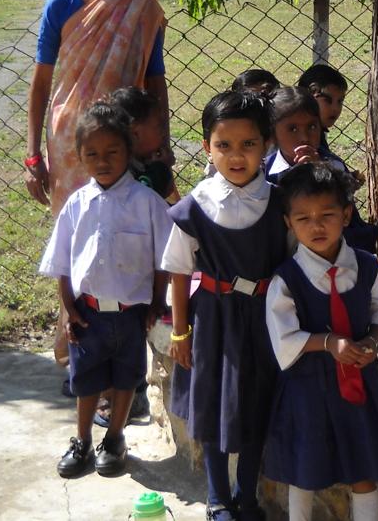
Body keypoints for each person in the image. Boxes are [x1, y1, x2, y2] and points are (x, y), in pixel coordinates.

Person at [161, 92, 289, 521]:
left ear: (266, 145)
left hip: (263, 322)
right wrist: (180, 332)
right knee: (213, 410)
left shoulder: (280, 203)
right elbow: (179, 272)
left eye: (248, 144)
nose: (236, 156)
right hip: (212, 322)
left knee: (255, 405)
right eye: (224, 145)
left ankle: (246, 496)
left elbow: (293, 264)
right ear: (206, 148)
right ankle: (218, 500)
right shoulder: (194, 207)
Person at [39, 103, 171, 479]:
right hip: (88, 313)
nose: (102, 161)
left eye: (112, 152)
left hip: (130, 314)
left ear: (128, 152)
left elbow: (163, 259)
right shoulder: (76, 205)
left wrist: (156, 302)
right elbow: (62, 263)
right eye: (92, 154)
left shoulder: (147, 204)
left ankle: (114, 438)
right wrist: (70, 309)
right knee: (86, 379)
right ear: (79, 157)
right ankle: (82, 439)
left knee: (126, 376)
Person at [263, 163, 378, 521]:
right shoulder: (287, 278)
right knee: (303, 468)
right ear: (289, 223)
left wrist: (370, 341)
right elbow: (284, 337)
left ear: (347, 215)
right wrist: (326, 343)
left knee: (363, 462)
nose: (317, 226)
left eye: (327, 215)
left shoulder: (368, 267)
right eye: (303, 218)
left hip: (357, 384)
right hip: (307, 389)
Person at [25, 0, 169, 214]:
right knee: (77, 227)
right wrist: (33, 155)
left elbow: (156, 80)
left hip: (126, 137)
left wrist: (162, 143)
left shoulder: (142, 9)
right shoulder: (60, 5)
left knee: (130, 224)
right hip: (70, 138)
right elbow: (41, 84)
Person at [265, 87, 378, 253]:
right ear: (273, 134)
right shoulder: (265, 174)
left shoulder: (333, 166)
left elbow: (350, 221)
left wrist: (321, 173)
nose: (304, 137)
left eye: (312, 127)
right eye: (293, 129)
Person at [297, 63, 366, 188]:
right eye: (327, 100)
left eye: (340, 101)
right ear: (309, 95)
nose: (335, 108)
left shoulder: (319, 137)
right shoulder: (297, 141)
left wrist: (344, 179)